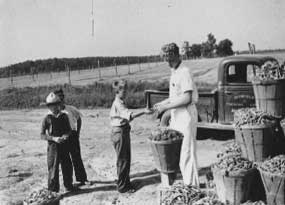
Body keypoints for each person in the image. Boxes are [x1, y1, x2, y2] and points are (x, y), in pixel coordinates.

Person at [154, 43, 199, 187]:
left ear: (174, 54)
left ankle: (191, 188)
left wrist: (165, 107)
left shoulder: (184, 71)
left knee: (187, 154)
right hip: (176, 116)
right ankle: (183, 185)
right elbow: (175, 97)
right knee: (177, 153)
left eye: (167, 57)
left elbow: (187, 99)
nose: (165, 61)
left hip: (186, 116)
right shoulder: (174, 71)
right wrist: (160, 105)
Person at [110, 79, 152, 193]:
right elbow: (130, 115)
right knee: (123, 160)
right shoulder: (118, 103)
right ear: (117, 92)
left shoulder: (120, 102)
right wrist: (144, 111)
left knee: (125, 159)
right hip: (120, 133)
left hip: (121, 132)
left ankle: (125, 182)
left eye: (126, 90)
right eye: (124, 91)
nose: (126, 93)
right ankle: (123, 187)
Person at [54, 89, 90, 186]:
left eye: (62, 96)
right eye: (58, 97)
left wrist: (77, 133)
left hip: (73, 135)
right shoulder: (54, 112)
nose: (61, 99)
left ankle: (82, 179)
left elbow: (78, 118)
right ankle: (68, 184)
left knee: (77, 157)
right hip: (62, 138)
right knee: (65, 161)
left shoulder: (70, 109)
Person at [41, 92, 76, 192]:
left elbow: (69, 130)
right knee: (53, 169)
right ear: (48, 106)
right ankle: (53, 190)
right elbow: (42, 135)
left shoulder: (64, 116)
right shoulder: (47, 118)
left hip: (64, 145)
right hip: (53, 148)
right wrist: (53, 139)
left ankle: (68, 185)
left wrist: (66, 136)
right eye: (51, 106)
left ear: (59, 104)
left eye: (56, 105)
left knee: (67, 167)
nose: (54, 108)